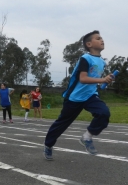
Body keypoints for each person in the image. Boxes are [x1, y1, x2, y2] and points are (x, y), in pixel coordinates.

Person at [43, 30, 114, 160]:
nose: (102, 40)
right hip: (74, 97)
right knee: (62, 123)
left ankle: (86, 137)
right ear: (89, 44)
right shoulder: (85, 59)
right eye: (98, 38)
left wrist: (106, 80)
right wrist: (102, 80)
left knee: (104, 113)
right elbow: (83, 78)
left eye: (102, 38)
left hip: (90, 95)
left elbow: (95, 80)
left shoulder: (102, 62)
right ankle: (48, 145)